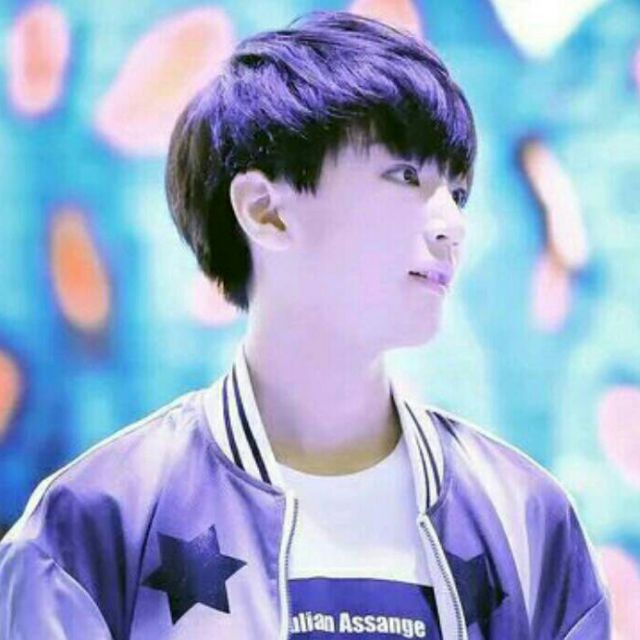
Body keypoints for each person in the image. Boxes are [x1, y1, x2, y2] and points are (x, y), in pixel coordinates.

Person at [0, 10, 611, 640]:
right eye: (407, 176)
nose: (451, 225)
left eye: (456, 193)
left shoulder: (528, 519)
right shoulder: (94, 524)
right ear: (265, 211)